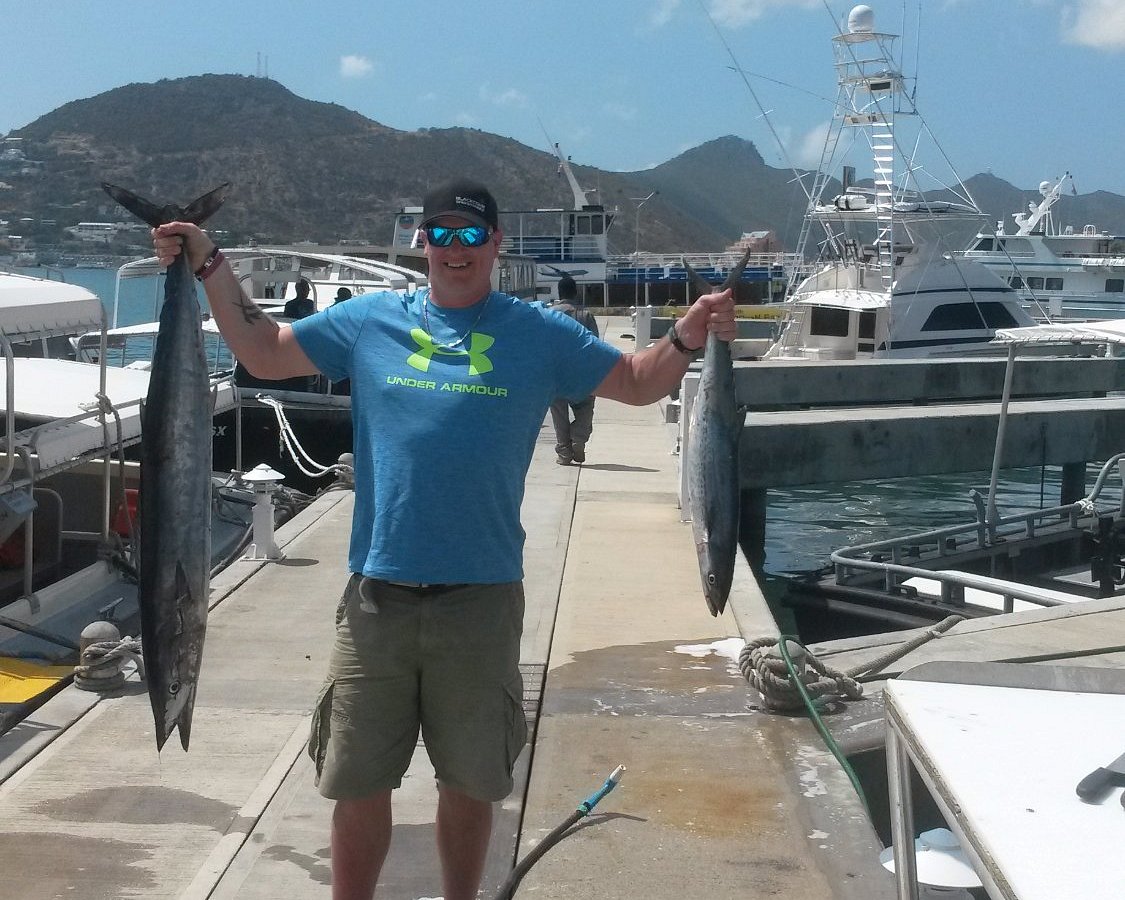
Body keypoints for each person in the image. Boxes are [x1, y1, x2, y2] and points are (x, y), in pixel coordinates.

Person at [151, 177, 735, 900]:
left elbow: (638, 383)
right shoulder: (369, 321)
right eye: (442, 235)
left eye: (470, 236)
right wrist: (207, 262)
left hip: (481, 602)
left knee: (470, 784)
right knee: (355, 782)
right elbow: (264, 352)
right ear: (421, 242)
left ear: (495, 244)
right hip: (375, 602)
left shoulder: (539, 333)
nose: (454, 250)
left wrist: (686, 336)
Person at [548, 275, 599, 465]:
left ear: (559, 293)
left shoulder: (549, 314)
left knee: (559, 415)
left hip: (555, 374)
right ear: (575, 292)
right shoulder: (585, 315)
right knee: (585, 409)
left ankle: (564, 452)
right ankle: (578, 438)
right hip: (581, 373)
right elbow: (595, 346)